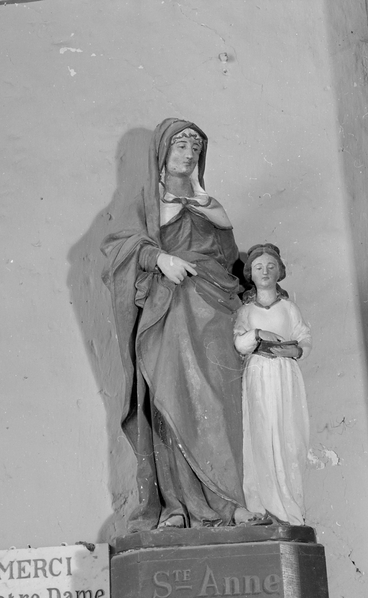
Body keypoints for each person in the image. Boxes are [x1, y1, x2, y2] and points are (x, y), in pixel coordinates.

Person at [101, 118, 254, 531]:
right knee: (172, 398)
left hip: (216, 311)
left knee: (219, 405)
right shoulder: (147, 203)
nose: (188, 154)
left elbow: (229, 260)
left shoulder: (210, 204)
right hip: (170, 311)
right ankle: (178, 507)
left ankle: (229, 503)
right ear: (163, 153)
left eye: (195, 148)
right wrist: (159, 258)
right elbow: (118, 248)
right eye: (180, 146)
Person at [234, 244, 312, 525]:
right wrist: (257, 333)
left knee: (289, 434)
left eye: (270, 267)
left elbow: (304, 337)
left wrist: (296, 350)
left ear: (280, 272)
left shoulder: (289, 308)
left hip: (284, 376)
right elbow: (239, 342)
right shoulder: (245, 311)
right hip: (258, 375)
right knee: (260, 433)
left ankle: (290, 508)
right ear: (250, 274)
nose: (265, 272)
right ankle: (261, 507)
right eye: (258, 267)